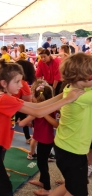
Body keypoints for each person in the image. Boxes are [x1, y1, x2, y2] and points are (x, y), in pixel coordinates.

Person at [0, 60, 83, 196]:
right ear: (4, 83)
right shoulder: (4, 99)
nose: (22, 84)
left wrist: (63, 95)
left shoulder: (8, 97)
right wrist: (67, 100)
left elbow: (36, 106)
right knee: (4, 187)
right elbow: (38, 113)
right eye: (17, 81)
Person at [49, 53, 92, 196]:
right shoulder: (83, 96)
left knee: (71, 185)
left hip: (66, 148)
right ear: (81, 78)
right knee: (78, 192)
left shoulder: (73, 88)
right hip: (72, 152)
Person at [18, 80, 58, 195]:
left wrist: (25, 120)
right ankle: (42, 181)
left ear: (37, 98)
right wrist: (32, 122)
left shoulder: (40, 111)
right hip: (42, 138)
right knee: (42, 161)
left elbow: (21, 123)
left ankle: (47, 188)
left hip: (45, 140)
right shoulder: (48, 108)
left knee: (42, 163)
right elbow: (38, 122)